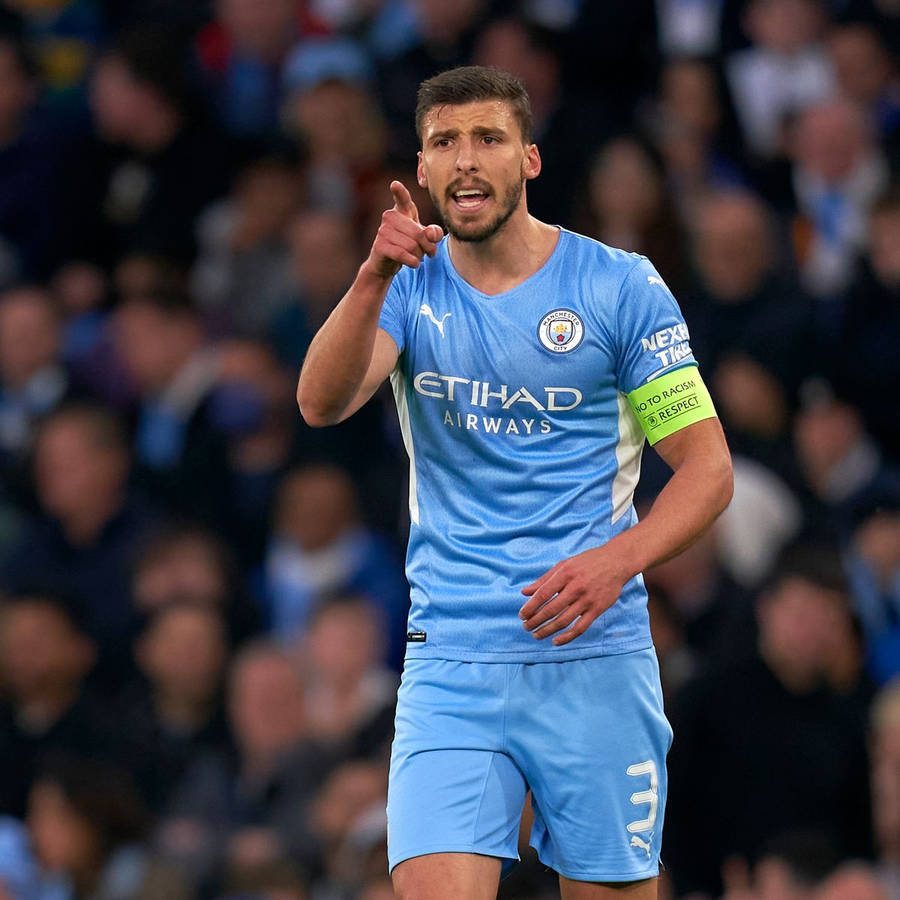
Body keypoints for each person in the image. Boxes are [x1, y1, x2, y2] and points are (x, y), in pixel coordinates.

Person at [297, 66, 733, 899]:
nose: (466, 160)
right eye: (444, 143)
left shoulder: (619, 286)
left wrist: (616, 563)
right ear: (421, 172)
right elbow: (320, 403)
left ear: (528, 161)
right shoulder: (406, 284)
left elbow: (708, 471)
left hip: (592, 657)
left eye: (488, 139)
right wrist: (368, 279)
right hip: (451, 659)